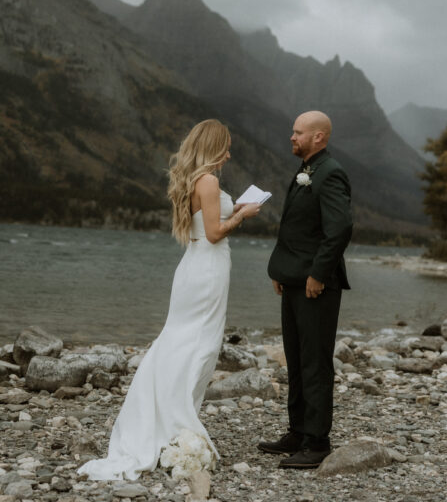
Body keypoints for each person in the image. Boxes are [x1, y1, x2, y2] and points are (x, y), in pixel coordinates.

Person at [78, 119, 261, 481]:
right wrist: (242, 214)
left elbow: (204, 221)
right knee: (199, 345)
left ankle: (169, 414)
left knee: (182, 341)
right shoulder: (208, 181)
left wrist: (233, 205)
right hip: (206, 270)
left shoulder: (197, 180)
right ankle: (177, 418)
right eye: (224, 147)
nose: (228, 154)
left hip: (195, 269)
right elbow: (213, 234)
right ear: (211, 147)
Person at [259, 110, 352, 470]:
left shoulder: (331, 173)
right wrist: (281, 270)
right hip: (294, 280)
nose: (291, 137)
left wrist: (318, 274)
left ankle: (318, 441)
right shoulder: (307, 171)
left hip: (317, 286)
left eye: (298, 133)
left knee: (315, 363)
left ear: (319, 137)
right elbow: (297, 228)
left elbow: (339, 229)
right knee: (296, 359)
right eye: (292, 132)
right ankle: (297, 431)